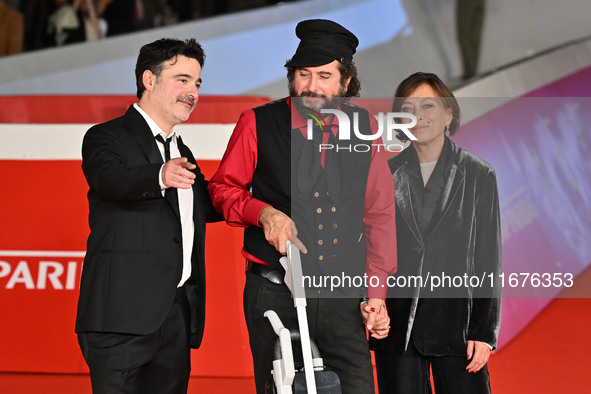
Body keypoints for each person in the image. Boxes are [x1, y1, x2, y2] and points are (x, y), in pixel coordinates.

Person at [208, 19, 397, 394]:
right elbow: (221, 188)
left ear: (345, 82)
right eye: (303, 74)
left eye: (325, 75)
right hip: (275, 290)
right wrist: (263, 212)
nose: (312, 86)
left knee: (358, 386)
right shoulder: (257, 123)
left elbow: (379, 213)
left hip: (343, 292)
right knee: (279, 389)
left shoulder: (365, 127)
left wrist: (376, 294)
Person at [75, 38, 222, 393]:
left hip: (174, 317)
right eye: (183, 80)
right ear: (149, 80)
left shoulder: (181, 149)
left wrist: (262, 195)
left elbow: (209, 204)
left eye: (198, 83)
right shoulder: (106, 135)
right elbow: (108, 180)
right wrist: (159, 176)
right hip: (120, 318)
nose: (193, 92)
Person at [370, 72, 502, 393]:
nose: (418, 117)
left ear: (448, 113)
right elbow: (372, 248)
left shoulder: (478, 174)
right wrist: (372, 304)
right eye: (408, 109)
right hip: (397, 329)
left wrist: (483, 331)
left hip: (456, 326)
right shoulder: (384, 175)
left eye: (428, 106)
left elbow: (488, 258)